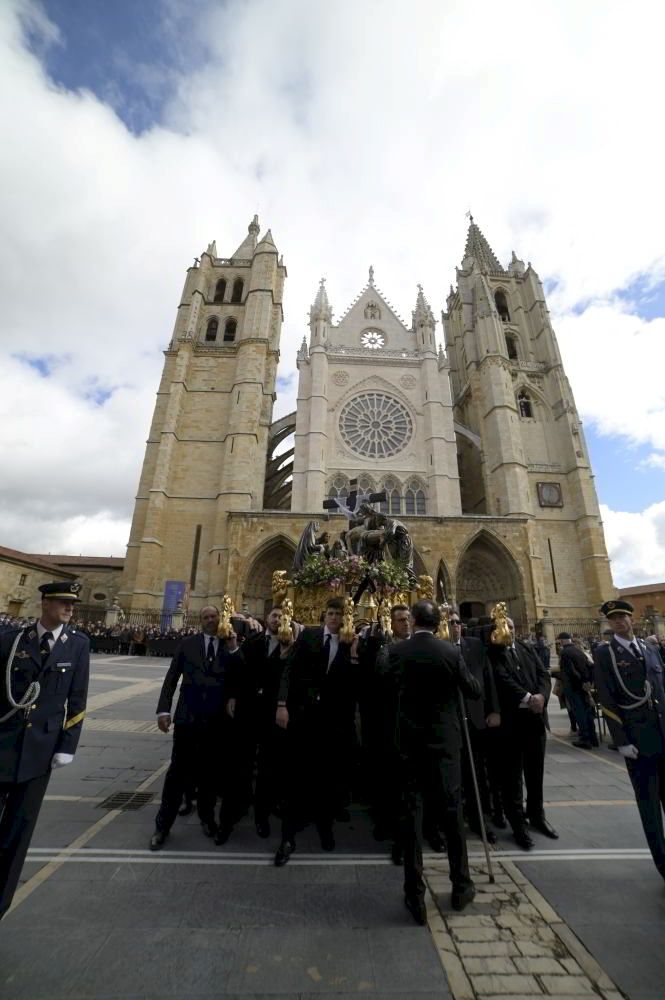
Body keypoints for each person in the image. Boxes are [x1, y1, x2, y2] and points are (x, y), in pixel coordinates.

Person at [0, 581, 89, 919]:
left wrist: (68, 745)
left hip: (40, 750)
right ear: (45, 603)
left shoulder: (78, 645)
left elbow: (77, 699)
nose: (70, 608)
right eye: (63, 602)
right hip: (5, 743)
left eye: (73, 604)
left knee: (17, 834)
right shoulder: (12, 640)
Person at [389, 600, 481, 924]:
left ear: (412, 621)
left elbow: (385, 689)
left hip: (410, 744)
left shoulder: (397, 652)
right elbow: (473, 690)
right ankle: (461, 886)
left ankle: (414, 894)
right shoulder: (451, 653)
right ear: (438, 621)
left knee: (411, 817)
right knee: (452, 814)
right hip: (445, 745)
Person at [274, 596, 357, 866]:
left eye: (338, 614)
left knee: (327, 776)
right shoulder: (309, 636)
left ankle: (325, 827)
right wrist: (282, 704)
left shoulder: (348, 642)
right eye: (331, 613)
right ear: (324, 615)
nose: (334, 618)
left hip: (332, 721)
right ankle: (288, 837)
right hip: (303, 715)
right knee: (296, 775)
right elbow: (288, 669)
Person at [150, 606, 240, 850]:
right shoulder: (187, 644)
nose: (211, 620)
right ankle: (162, 826)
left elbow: (240, 675)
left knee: (210, 774)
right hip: (188, 719)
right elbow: (171, 678)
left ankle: (208, 819)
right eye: (206, 617)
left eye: (214, 617)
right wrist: (163, 710)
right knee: (177, 775)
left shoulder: (228, 645)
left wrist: (233, 647)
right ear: (200, 621)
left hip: (216, 721)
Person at [593, 600, 665, 881]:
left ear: (631, 619)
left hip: (662, 734)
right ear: (610, 624)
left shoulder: (649, 649)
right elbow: (607, 698)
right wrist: (620, 739)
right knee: (650, 807)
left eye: (623, 616)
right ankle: (662, 863)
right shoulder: (606, 654)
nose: (620, 622)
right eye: (615, 619)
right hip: (639, 740)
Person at [224, 606, 296, 841]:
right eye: (274, 615)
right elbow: (239, 670)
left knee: (268, 764)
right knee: (241, 760)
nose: (277, 620)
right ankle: (238, 807)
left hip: (272, 712)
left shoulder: (291, 646)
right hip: (248, 709)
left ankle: (261, 815)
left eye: (281, 617)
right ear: (266, 619)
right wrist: (233, 696)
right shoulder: (253, 641)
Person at [489, 617, 558, 850]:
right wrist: (529, 699)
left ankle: (537, 816)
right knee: (512, 777)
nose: (510, 629)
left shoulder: (527, 648)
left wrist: (542, 697)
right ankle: (517, 824)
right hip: (511, 723)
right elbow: (502, 679)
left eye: (512, 625)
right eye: (504, 626)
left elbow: (543, 675)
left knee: (535, 772)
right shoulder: (494, 652)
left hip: (535, 721)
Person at [449, 612, 501, 844]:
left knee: (477, 774)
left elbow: (488, 677)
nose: (455, 626)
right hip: (449, 722)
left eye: (457, 622)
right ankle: (450, 825)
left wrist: (494, 709)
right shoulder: (437, 648)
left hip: (476, 720)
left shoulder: (475, 646)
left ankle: (479, 820)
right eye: (450, 622)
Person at [557, 632, 597, 749]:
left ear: (562, 641)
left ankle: (585, 739)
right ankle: (593, 738)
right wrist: (587, 681)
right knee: (587, 711)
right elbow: (590, 666)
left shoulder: (565, 653)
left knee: (579, 712)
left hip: (573, 687)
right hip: (583, 686)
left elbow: (570, 671)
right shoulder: (578, 650)